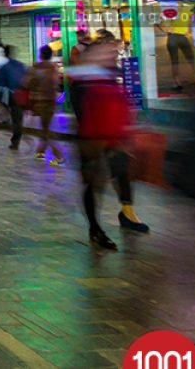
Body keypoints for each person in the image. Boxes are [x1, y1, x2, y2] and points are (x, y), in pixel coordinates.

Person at [70, 30, 148, 249]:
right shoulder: (85, 79)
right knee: (95, 184)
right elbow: (82, 109)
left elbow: (119, 102)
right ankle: (95, 228)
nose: (113, 55)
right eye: (109, 51)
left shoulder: (109, 75)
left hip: (115, 136)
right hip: (93, 138)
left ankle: (127, 213)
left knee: (122, 174)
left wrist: (126, 129)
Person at [26, 45, 63, 163]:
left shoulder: (36, 68)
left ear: (41, 55)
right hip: (50, 101)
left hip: (38, 101)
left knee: (46, 129)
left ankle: (59, 155)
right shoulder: (54, 68)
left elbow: (27, 83)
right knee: (44, 126)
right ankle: (40, 151)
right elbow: (56, 84)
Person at [0, 45, 28, 149]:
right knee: (18, 118)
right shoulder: (21, 65)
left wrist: (0, 100)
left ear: (5, 54)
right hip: (22, 95)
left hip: (12, 96)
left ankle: (15, 141)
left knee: (16, 119)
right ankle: (16, 138)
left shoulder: (3, 68)